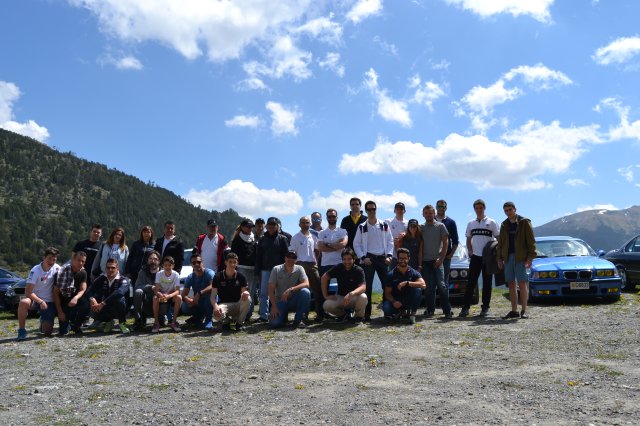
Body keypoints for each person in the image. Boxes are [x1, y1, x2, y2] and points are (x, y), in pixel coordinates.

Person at [353, 200, 394, 322]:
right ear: (366, 211)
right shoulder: (362, 227)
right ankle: (367, 315)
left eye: (373, 209)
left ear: (376, 209)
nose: (371, 211)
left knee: (386, 286)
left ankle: (387, 312)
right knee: (368, 287)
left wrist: (389, 256)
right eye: (369, 209)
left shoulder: (384, 225)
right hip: (368, 259)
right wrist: (362, 257)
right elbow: (356, 244)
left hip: (382, 259)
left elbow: (390, 241)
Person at [460, 199, 500, 318]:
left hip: (488, 258)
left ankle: (485, 308)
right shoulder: (471, 223)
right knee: (471, 283)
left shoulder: (492, 222)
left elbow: (499, 238)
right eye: (476, 208)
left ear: (484, 208)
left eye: (480, 207)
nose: (479, 210)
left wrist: (497, 254)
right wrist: (470, 251)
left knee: (487, 284)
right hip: (475, 257)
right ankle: (465, 307)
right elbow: (468, 239)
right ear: (474, 209)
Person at [497, 201, 536, 319]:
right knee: (511, 283)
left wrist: (530, 258)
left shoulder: (524, 222)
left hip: (521, 257)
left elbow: (531, 242)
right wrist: (499, 258)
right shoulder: (504, 225)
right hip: (508, 257)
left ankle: (524, 310)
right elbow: (500, 243)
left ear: (515, 209)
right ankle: (514, 311)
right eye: (506, 211)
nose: (508, 212)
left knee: (522, 283)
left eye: (510, 210)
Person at [16, 247, 61, 340]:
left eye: (54, 260)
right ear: (44, 257)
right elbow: (28, 292)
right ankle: (21, 330)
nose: (51, 261)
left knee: (47, 333)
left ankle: (43, 321)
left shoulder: (57, 268)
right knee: (23, 302)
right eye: (49, 258)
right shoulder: (35, 270)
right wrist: (40, 301)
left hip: (49, 301)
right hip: (35, 299)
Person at [254, 217, 289, 322]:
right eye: (270, 225)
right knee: (263, 293)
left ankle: (281, 314)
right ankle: (263, 316)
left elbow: (286, 256)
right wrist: (257, 271)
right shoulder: (262, 239)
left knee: (280, 293)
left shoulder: (283, 239)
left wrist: (286, 269)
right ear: (266, 226)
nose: (272, 227)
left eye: (274, 225)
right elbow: (258, 257)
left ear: (277, 226)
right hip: (265, 270)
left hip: (280, 270)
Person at [421, 204, 452, 319]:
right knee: (428, 288)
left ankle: (447, 310)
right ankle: (430, 310)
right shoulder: (421, 227)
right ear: (423, 215)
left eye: (430, 213)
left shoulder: (440, 226)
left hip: (437, 261)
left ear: (434, 214)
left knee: (442, 285)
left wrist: (441, 258)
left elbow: (446, 242)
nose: (428, 215)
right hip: (425, 262)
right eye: (426, 213)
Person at [289, 216, 323, 321]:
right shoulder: (295, 237)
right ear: (299, 224)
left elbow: (317, 250)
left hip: (312, 265)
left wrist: (315, 260)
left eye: (307, 222)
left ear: (310, 224)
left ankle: (320, 314)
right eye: (303, 222)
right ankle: (303, 315)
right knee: (302, 291)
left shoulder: (314, 237)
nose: (305, 224)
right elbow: (292, 252)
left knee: (317, 290)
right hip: (300, 265)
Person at [321, 248, 367, 322]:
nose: (347, 262)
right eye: (344, 259)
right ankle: (343, 315)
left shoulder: (359, 270)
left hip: (353, 297)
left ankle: (358, 317)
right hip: (341, 297)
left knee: (363, 297)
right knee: (326, 305)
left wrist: (351, 293)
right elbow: (324, 278)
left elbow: (363, 287)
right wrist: (325, 295)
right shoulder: (338, 267)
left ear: (354, 259)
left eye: (349, 259)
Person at [268, 251, 311, 329]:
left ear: (296, 260)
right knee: (275, 324)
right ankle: (283, 317)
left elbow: (306, 283)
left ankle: (299, 320)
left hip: (294, 300)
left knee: (305, 292)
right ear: (285, 258)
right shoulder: (276, 269)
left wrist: (291, 289)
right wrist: (274, 307)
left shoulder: (300, 268)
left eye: (293, 257)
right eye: (288, 257)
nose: (291, 259)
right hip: (280, 301)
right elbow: (270, 290)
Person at [383, 248, 426, 324]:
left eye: (405, 258)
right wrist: (394, 302)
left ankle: (412, 315)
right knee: (386, 307)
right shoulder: (391, 274)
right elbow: (387, 293)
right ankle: (400, 312)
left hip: (408, 300)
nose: (403, 260)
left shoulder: (413, 272)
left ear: (408, 259)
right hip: (397, 300)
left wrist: (407, 283)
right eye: (400, 258)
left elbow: (423, 285)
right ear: (397, 259)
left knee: (418, 290)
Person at [87, 258, 130, 334]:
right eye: (108, 267)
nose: (110, 269)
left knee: (120, 299)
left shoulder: (124, 280)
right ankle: (106, 321)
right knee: (91, 297)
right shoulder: (101, 278)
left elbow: (119, 293)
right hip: (104, 307)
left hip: (120, 308)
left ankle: (122, 323)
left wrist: (103, 303)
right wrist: (92, 299)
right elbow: (89, 290)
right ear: (105, 268)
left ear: (117, 268)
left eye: (113, 268)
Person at [211, 252, 251, 331]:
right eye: (230, 262)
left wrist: (246, 293)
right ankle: (226, 322)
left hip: (238, 304)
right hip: (224, 305)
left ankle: (239, 323)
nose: (232, 264)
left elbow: (244, 292)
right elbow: (212, 296)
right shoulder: (218, 276)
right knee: (215, 314)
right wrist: (215, 307)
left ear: (237, 263)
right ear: (225, 262)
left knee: (248, 298)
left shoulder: (241, 277)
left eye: (234, 262)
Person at [53, 251, 89, 335]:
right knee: (63, 332)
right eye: (79, 260)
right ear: (73, 259)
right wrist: (60, 312)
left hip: (75, 301)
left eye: (83, 261)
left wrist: (76, 298)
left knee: (86, 303)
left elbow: (83, 289)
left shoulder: (83, 273)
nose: (81, 263)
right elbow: (55, 293)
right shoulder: (60, 273)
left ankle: (76, 325)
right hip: (63, 303)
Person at [230, 219, 257, 320]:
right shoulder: (237, 239)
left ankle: (248, 314)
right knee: (241, 292)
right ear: (242, 227)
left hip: (253, 269)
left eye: (251, 227)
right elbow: (233, 256)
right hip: (241, 269)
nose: (250, 228)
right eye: (248, 226)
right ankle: (240, 313)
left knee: (251, 292)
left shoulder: (254, 239)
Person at [181, 252, 214, 329]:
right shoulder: (190, 277)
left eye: (198, 262)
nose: (196, 264)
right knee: (184, 307)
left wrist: (200, 293)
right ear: (191, 265)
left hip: (210, 300)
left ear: (202, 263)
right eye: (194, 263)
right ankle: (197, 317)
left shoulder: (209, 273)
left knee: (209, 294)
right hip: (198, 301)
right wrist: (188, 299)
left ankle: (208, 319)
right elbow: (183, 294)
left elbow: (213, 285)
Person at [132, 250, 161, 330]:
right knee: (138, 292)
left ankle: (161, 317)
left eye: (155, 259)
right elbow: (137, 286)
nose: (153, 261)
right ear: (147, 260)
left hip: (160, 301)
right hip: (146, 301)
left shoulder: (163, 272)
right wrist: (150, 287)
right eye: (150, 258)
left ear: (159, 261)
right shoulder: (142, 271)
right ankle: (139, 320)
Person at [152, 256, 182, 332]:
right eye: (165, 265)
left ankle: (173, 322)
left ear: (173, 266)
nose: (167, 267)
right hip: (162, 296)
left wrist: (169, 296)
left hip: (171, 295)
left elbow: (177, 291)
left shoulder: (176, 274)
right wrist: (159, 294)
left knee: (179, 297)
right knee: (155, 298)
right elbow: (157, 289)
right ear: (163, 266)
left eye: (169, 265)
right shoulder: (159, 274)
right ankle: (156, 323)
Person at [435, 199, 459, 290]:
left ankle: (445, 300)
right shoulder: (431, 220)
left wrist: (451, 254)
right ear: (436, 207)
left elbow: (455, 240)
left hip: (446, 257)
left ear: (446, 208)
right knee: (432, 282)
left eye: (443, 206)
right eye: (439, 206)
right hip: (432, 256)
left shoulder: (451, 222)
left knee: (444, 282)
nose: (441, 208)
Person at [317, 208, 348, 276]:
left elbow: (343, 244)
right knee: (325, 283)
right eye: (329, 216)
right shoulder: (321, 232)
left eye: (333, 216)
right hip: (325, 265)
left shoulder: (343, 231)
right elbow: (320, 247)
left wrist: (326, 244)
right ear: (326, 218)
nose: (331, 218)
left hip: (340, 263)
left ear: (337, 217)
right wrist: (337, 246)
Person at [385, 202, 408, 266]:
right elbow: (383, 236)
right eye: (397, 209)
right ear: (394, 211)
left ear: (404, 211)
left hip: (403, 255)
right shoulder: (387, 221)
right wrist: (393, 241)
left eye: (401, 209)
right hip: (391, 254)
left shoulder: (408, 223)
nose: (399, 210)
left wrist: (405, 234)